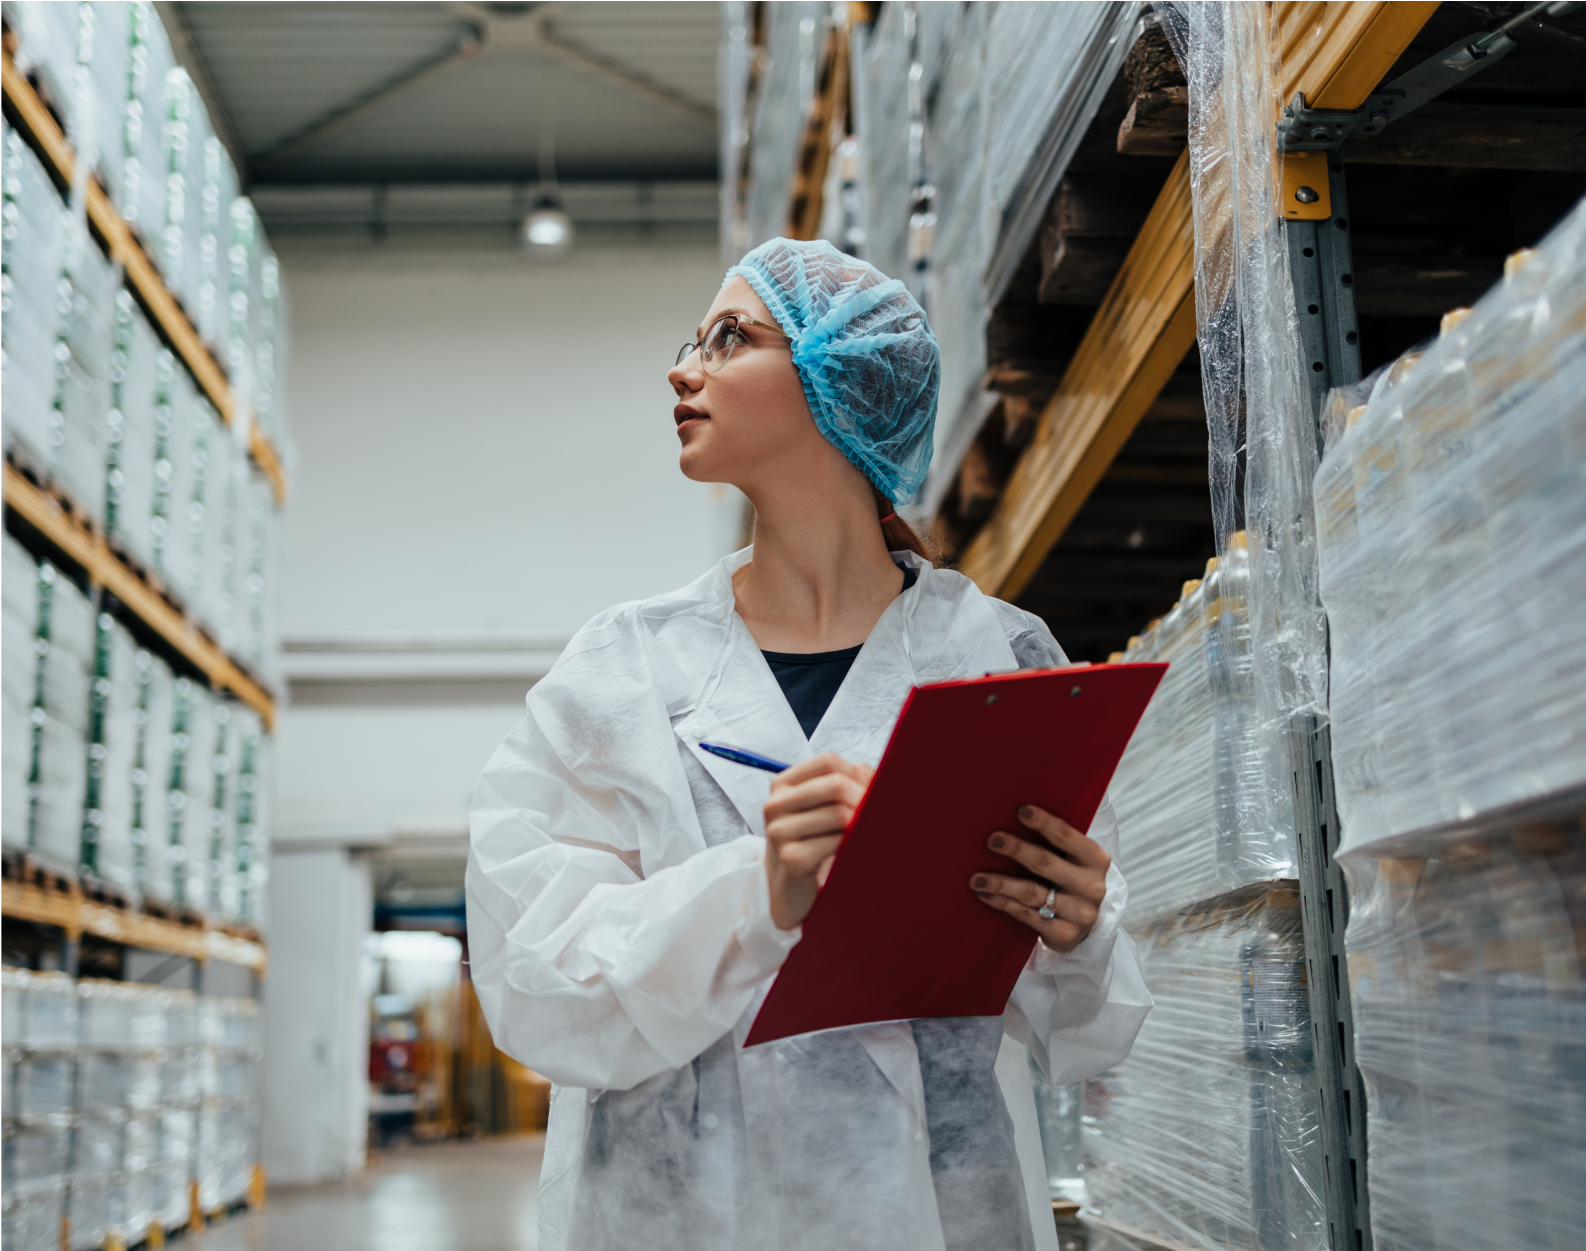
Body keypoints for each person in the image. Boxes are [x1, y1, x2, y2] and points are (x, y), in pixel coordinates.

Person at [467, 238, 1151, 1251]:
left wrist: (1078, 931)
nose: (681, 367)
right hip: (671, 1222)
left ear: (838, 382)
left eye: (727, 339)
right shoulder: (618, 671)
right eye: (692, 340)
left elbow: (1086, 1031)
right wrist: (758, 895)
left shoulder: (995, 657)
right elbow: (536, 984)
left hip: (939, 1220)